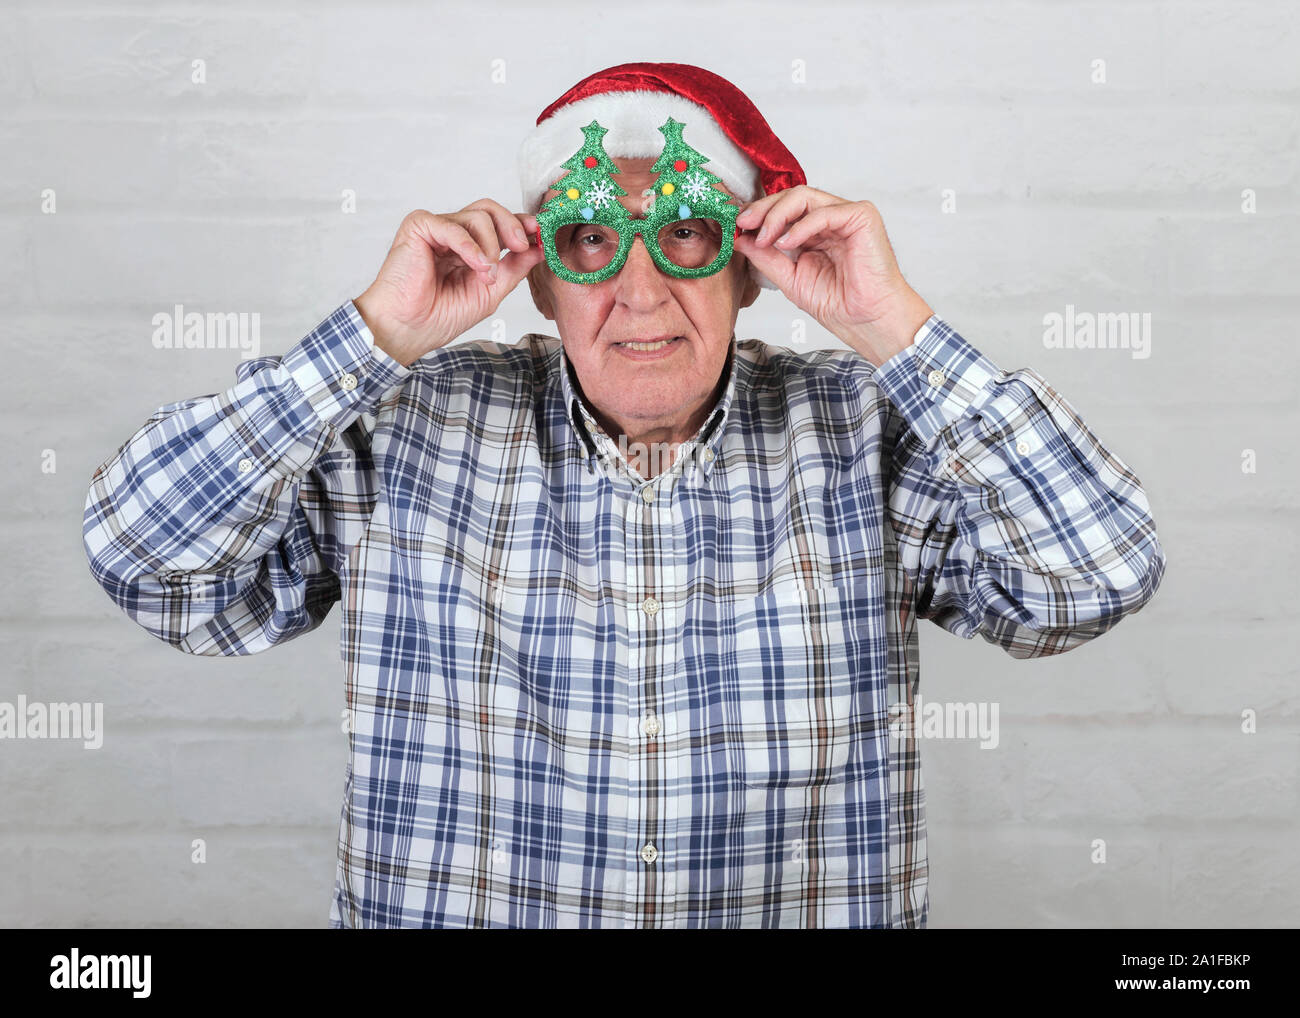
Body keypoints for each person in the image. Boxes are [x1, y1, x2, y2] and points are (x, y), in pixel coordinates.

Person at [82, 62, 1166, 928]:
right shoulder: (405, 425)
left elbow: (1093, 577)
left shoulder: (863, 431)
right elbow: (150, 562)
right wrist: (366, 343)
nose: (639, 288)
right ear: (541, 277)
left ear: (748, 265)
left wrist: (893, 326)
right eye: (591, 236)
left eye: (685, 231)